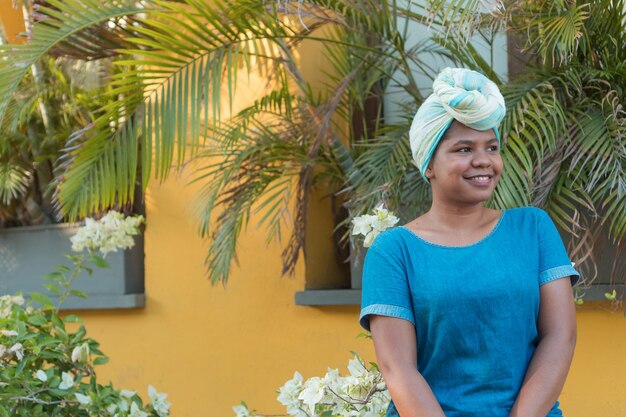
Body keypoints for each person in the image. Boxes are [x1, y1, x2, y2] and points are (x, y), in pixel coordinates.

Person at [359, 67, 579, 417]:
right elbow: (399, 369)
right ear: (429, 163)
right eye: (464, 148)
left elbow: (560, 337)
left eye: (491, 147)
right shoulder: (394, 252)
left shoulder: (533, 228)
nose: (483, 161)